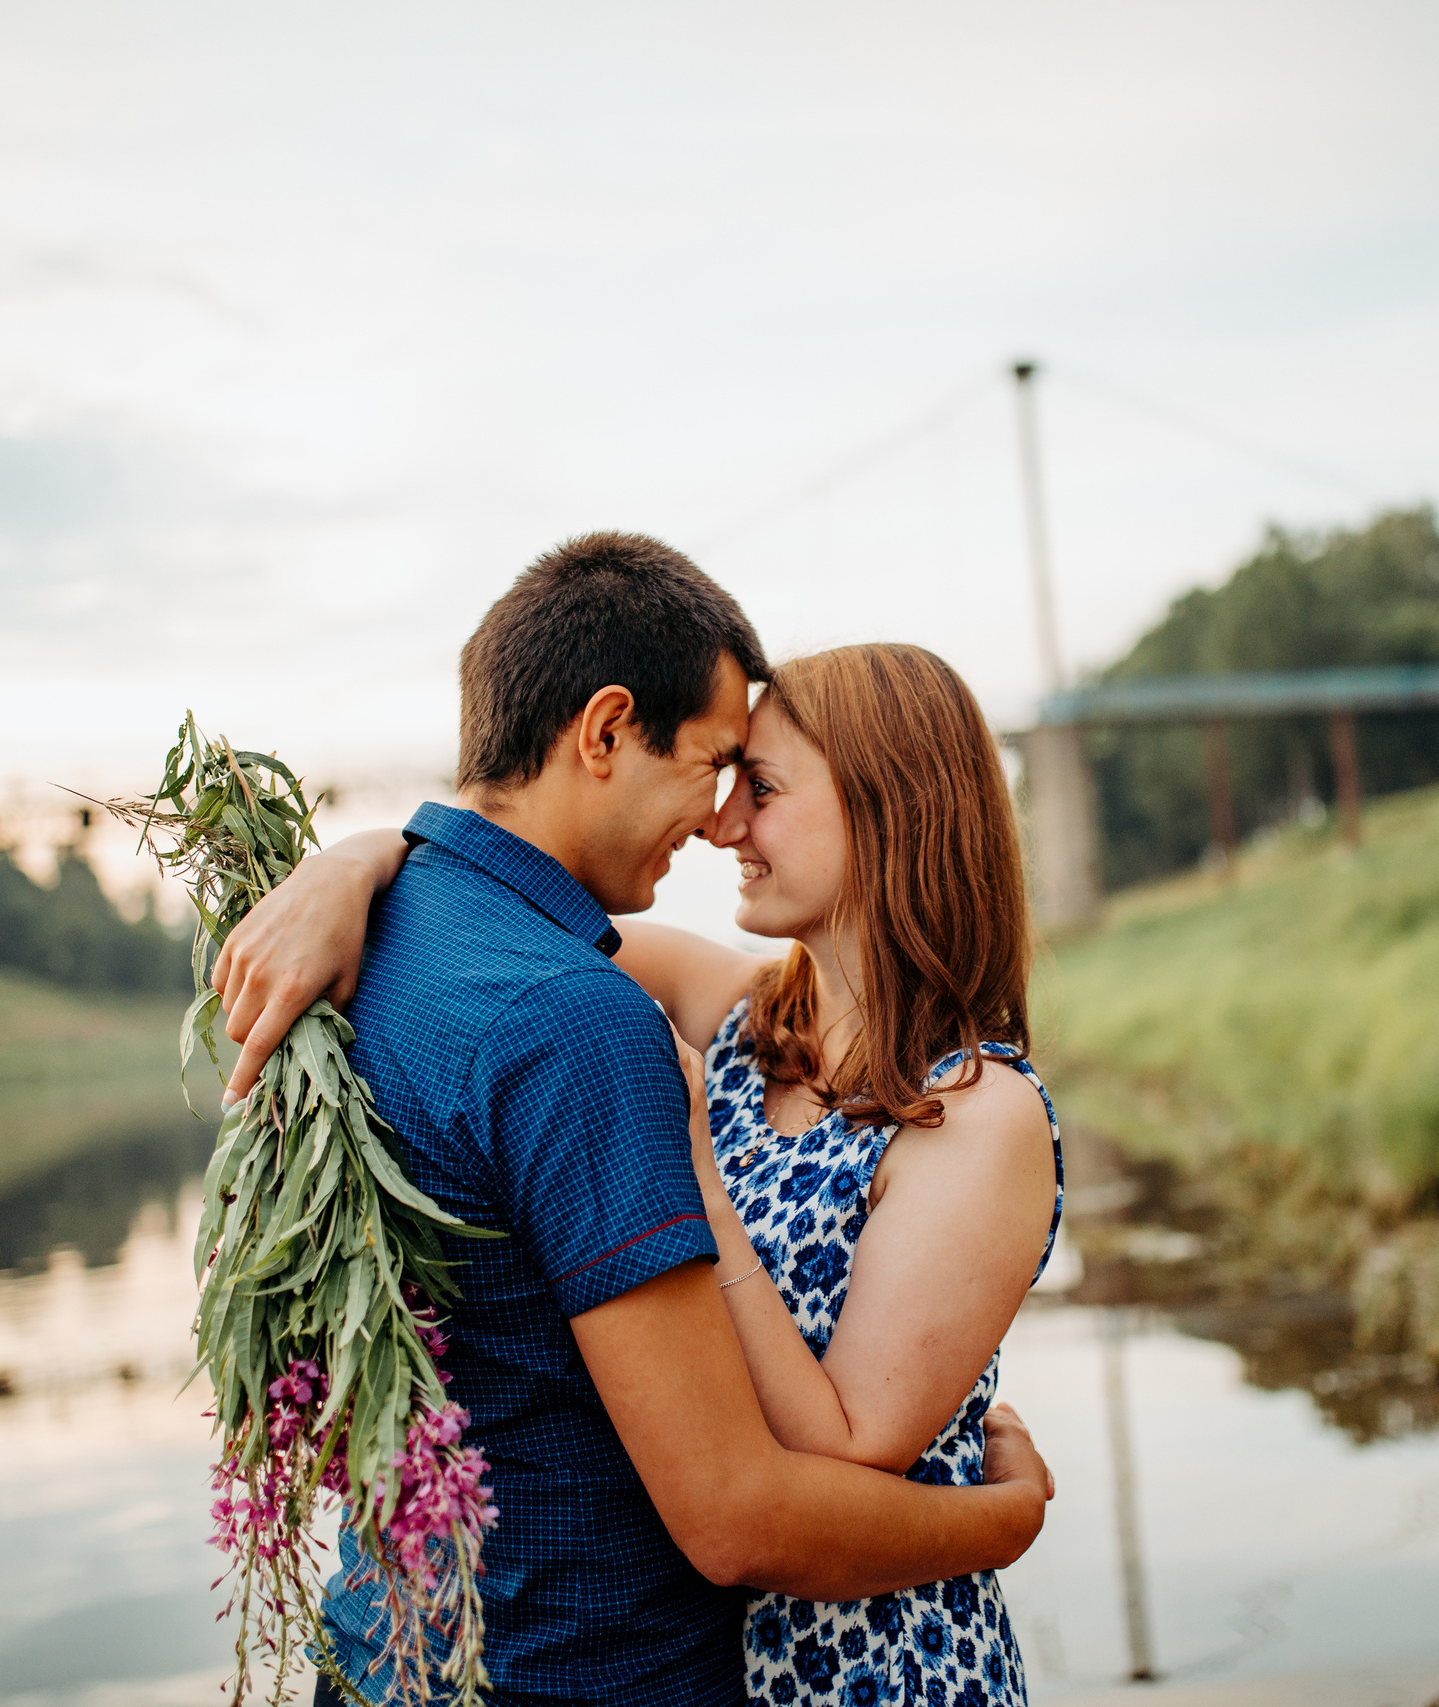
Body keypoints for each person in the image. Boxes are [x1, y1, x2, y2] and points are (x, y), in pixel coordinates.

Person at [211, 533, 1054, 1707]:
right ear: (603, 732)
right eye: (720, 771)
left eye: (755, 787)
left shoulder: (971, 1107)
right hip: (644, 1652)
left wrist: (367, 864)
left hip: (870, 1662)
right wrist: (345, 867)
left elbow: (848, 1444)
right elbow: (488, 889)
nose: (718, 825)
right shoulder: (720, 1018)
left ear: (889, 813)